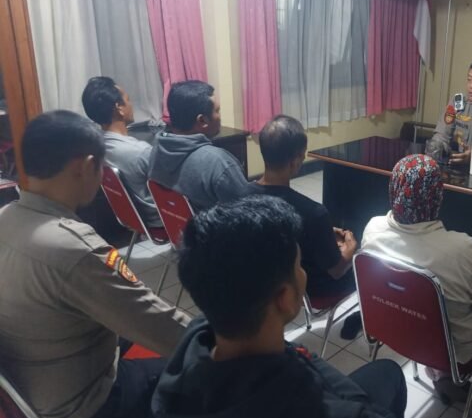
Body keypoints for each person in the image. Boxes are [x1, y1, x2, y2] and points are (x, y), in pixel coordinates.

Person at [152, 195, 472, 418]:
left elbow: (305, 366)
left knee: (388, 373)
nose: (303, 273)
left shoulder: (194, 344)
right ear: (284, 299)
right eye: (299, 266)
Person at [0, 111, 190, 418]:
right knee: (198, 374)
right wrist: (235, 341)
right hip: (87, 409)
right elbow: (162, 325)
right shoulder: (73, 248)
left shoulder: (6, 216)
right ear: (86, 166)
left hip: (32, 391)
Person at [361, 155, 472, 418]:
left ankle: (440, 376)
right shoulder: (461, 250)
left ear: (393, 189)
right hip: (450, 350)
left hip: (394, 331)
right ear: (437, 196)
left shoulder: (372, 228)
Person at [251, 115, 361, 339]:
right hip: (314, 289)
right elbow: (337, 270)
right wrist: (351, 247)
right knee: (368, 264)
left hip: (268, 280)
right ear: (294, 162)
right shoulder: (313, 213)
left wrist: (323, 232)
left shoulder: (242, 195)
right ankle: (361, 318)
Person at [148, 80, 249, 210]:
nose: (220, 116)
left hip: (177, 222)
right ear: (202, 120)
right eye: (217, 111)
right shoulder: (219, 163)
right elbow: (247, 213)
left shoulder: (157, 150)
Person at [82, 76, 161, 227]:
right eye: (128, 100)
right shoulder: (140, 151)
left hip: (130, 218)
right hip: (158, 220)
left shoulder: (95, 147)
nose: (131, 105)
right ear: (119, 108)